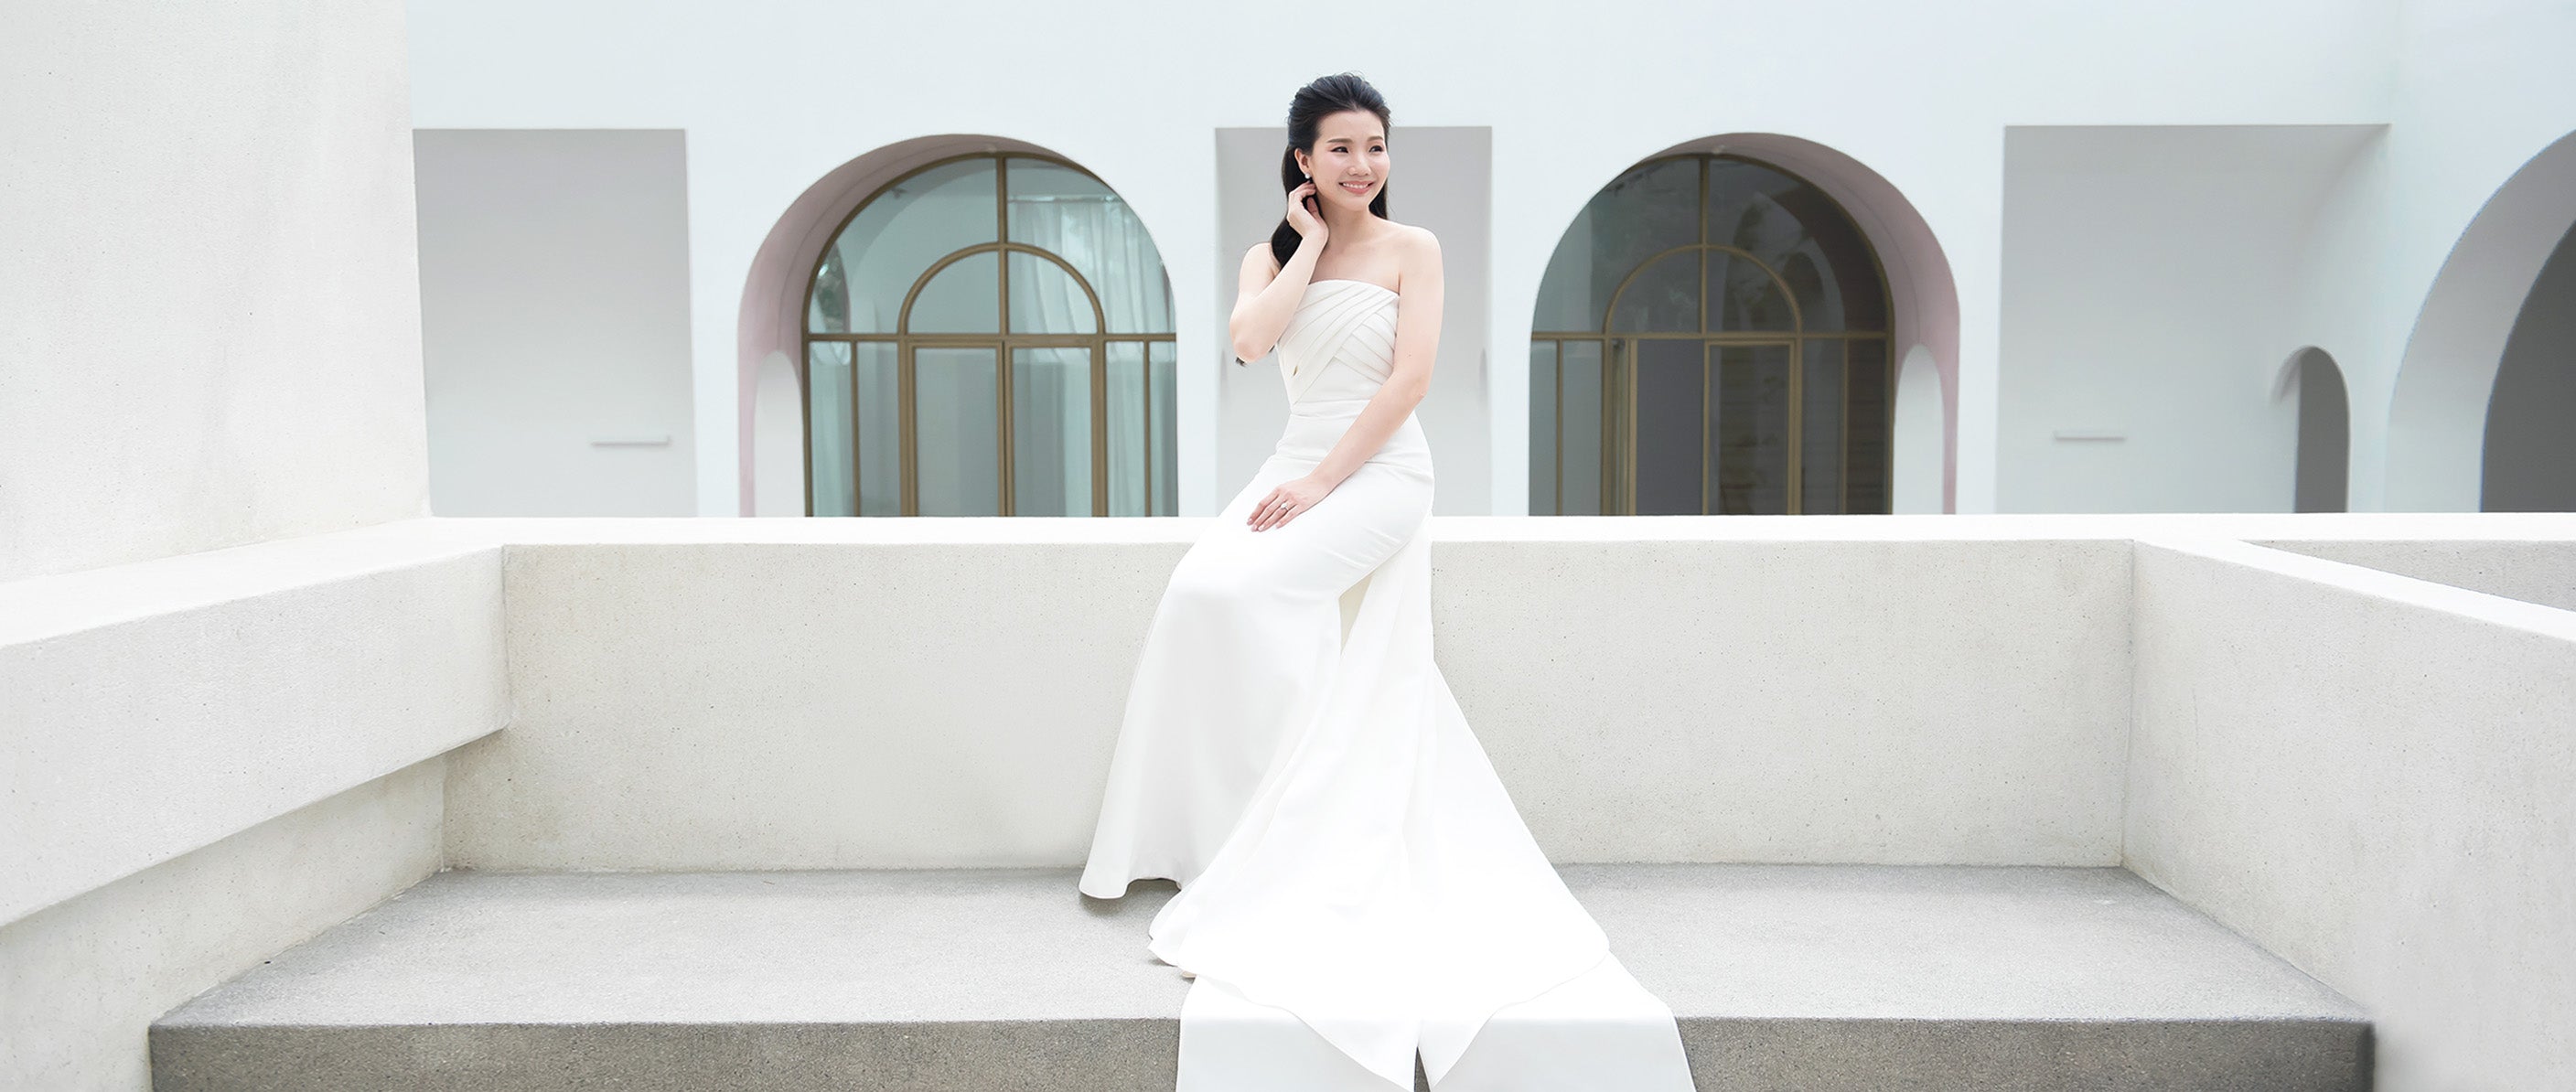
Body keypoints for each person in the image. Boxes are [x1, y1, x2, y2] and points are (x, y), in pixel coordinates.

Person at [1078, 72, 1697, 1092]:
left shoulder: (1417, 251)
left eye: (1375, 146)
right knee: (1198, 595)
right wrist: (1308, 245)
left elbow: (1411, 381)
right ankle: (1226, 823)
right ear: (1302, 162)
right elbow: (1247, 341)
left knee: (1252, 595)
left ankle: (1304, 808)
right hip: (1292, 467)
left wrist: (1325, 481)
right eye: (1340, 149)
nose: (1362, 165)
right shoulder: (1270, 257)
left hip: (1378, 474)